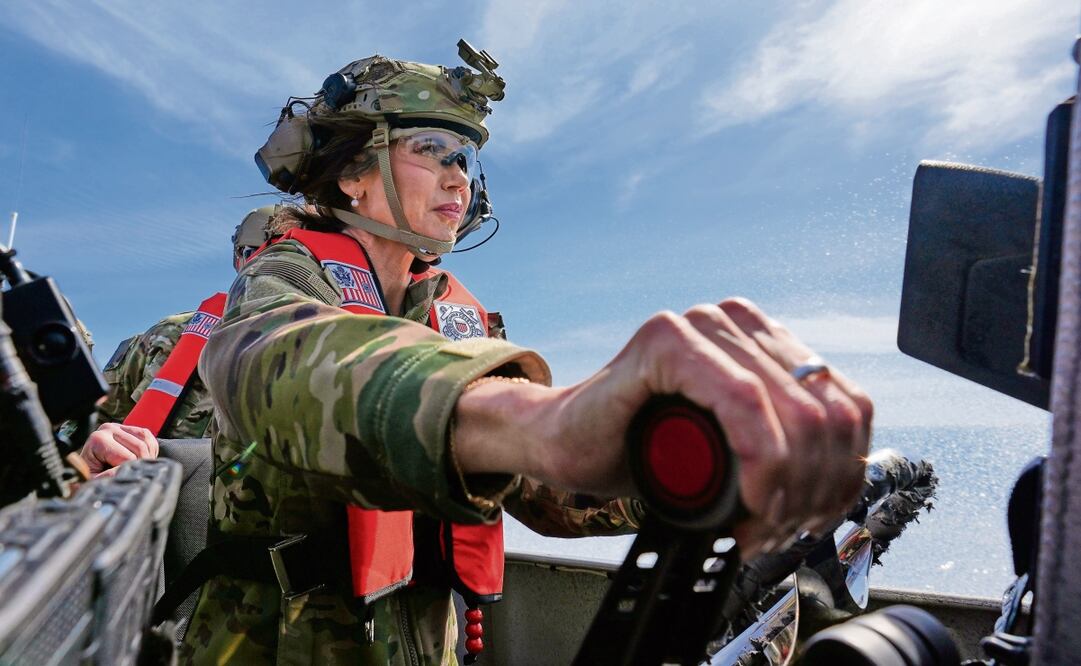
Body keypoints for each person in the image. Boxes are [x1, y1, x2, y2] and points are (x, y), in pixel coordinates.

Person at [180, 46, 872, 664]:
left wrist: (693, 467)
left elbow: (544, 491)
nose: (459, 179)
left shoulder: (453, 312)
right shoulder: (288, 277)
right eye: (431, 150)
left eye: (466, 159)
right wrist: (531, 417)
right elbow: (272, 365)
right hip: (273, 643)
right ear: (352, 175)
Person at [81, 205, 295, 475]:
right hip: (148, 504)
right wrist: (90, 455)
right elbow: (79, 437)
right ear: (239, 259)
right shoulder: (168, 336)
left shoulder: (328, 353)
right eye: (254, 253)